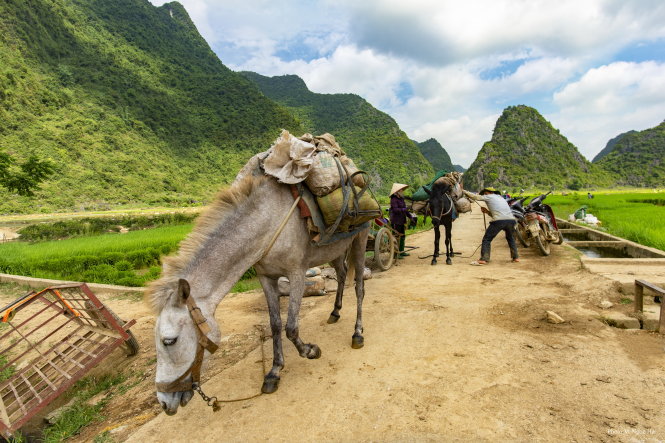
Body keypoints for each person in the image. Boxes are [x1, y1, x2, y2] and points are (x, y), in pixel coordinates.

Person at [463, 186, 519, 265]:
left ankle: (484, 259)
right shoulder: (501, 198)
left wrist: (463, 191)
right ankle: (515, 257)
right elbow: (498, 214)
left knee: (487, 239)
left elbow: (475, 197)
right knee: (510, 238)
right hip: (511, 220)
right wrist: (486, 212)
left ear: (490, 192)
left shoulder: (489, 197)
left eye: (486, 193)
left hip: (499, 221)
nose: (485, 195)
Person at [389, 183, 417, 258]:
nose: (402, 191)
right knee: (396, 237)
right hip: (396, 221)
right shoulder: (393, 199)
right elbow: (395, 210)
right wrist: (405, 209)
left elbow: (405, 210)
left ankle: (401, 252)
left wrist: (410, 217)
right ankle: (396, 253)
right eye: (401, 190)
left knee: (403, 236)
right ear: (397, 191)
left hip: (402, 220)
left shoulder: (401, 199)